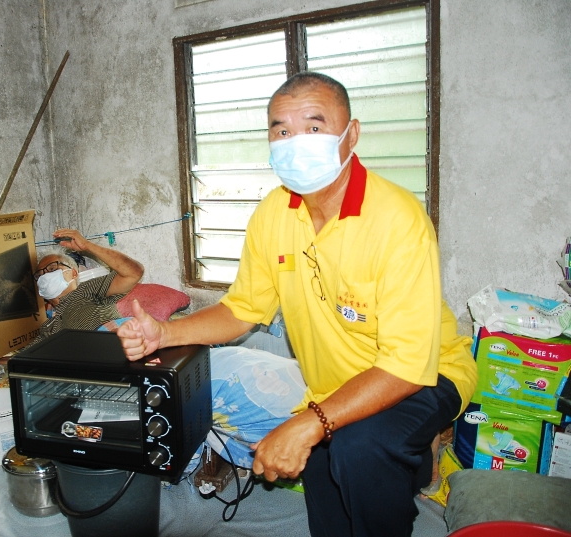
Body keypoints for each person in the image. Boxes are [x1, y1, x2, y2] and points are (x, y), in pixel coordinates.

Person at [118, 72, 477, 537]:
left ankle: (400, 470)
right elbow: (242, 310)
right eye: (281, 130)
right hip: (335, 384)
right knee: (327, 488)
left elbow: (407, 366)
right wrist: (166, 333)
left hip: (428, 371)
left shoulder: (397, 220)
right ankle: (407, 464)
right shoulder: (273, 214)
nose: (294, 142)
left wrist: (312, 422)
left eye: (313, 126)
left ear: (352, 134)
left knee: (358, 446)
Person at [32, 228, 143, 343]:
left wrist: (87, 245)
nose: (45, 277)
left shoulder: (87, 289)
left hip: (113, 348)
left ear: (74, 273)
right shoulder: (48, 327)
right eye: (40, 275)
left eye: (52, 269)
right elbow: (24, 357)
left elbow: (133, 273)